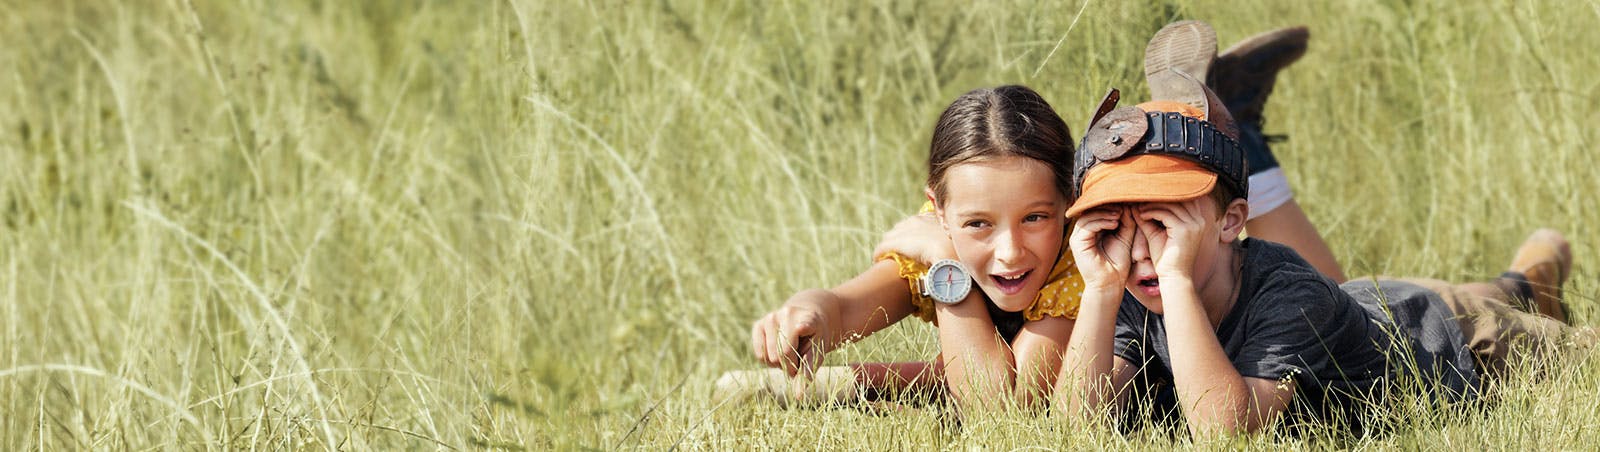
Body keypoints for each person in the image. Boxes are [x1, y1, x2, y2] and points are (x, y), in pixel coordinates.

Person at [1053, 58, 1591, 436]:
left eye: (1163, 224)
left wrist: (1175, 282)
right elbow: (1077, 429)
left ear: (1231, 220)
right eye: (1114, 230)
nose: (1140, 252)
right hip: (1365, 301)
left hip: (1455, 343)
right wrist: (1100, 290)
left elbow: (1223, 432)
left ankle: (1538, 266)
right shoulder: (1128, 292)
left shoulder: (1287, 294)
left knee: (1574, 351)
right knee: (1497, 289)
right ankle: (1525, 277)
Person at [719, 85, 1087, 412]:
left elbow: (1001, 404)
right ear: (939, 211)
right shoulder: (935, 235)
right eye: (978, 224)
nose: (1009, 251)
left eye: (1034, 218)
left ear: (1068, 199)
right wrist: (809, 311)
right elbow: (845, 307)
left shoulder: (1077, 254)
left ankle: (903, 383)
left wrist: (946, 262)